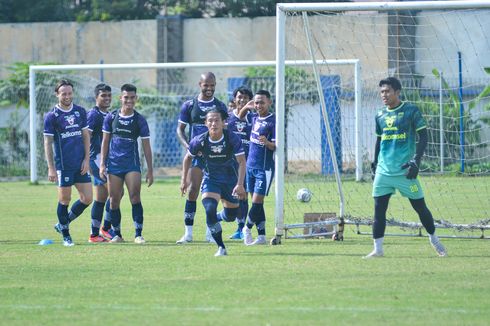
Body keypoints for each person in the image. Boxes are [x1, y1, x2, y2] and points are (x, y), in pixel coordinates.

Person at [366, 77, 447, 258]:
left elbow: (423, 136)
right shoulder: (379, 114)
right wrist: (374, 164)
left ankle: (434, 239)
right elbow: (379, 140)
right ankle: (378, 250)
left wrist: (416, 162)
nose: (384, 95)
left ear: (397, 92)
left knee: (420, 207)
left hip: (405, 172)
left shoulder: (410, 110)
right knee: (379, 210)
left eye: (387, 91)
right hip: (383, 172)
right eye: (381, 92)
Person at [180, 109, 246, 256]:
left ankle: (216, 218)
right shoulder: (199, 140)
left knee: (231, 216)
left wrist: (240, 184)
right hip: (211, 180)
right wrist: (184, 180)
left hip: (230, 181)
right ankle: (221, 247)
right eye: (210, 120)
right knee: (209, 208)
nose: (213, 123)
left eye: (217, 120)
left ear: (223, 123)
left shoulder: (232, 138)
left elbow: (242, 162)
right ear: (205, 123)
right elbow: (187, 159)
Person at [175, 72, 228, 244]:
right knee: (193, 191)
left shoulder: (220, 106)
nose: (209, 88)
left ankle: (210, 233)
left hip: (216, 156)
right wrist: (189, 147)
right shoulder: (190, 105)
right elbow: (180, 130)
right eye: (206, 85)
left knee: (212, 194)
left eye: (212, 85)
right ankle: (188, 233)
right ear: (200, 84)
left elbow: (225, 131)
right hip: (197, 156)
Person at [99, 83, 153, 244]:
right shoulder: (111, 117)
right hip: (114, 164)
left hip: (132, 164)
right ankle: (117, 234)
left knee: (134, 197)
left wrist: (150, 170)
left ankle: (138, 234)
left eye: (132, 97)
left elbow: (146, 146)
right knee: (114, 199)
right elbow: (105, 142)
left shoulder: (139, 120)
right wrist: (102, 164)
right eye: (126, 97)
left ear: (136, 98)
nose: (129, 100)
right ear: (120, 98)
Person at [44, 79, 93, 246]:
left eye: (69, 93)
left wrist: (87, 159)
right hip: (63, 166)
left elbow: (86, 136)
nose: (67, 96)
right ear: (57, 94)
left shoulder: (80, 112)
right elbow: (47, 143)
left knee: (87, 198)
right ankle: (66, 236)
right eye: (63, 93)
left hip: (80, 164)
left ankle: (62, 224)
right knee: (64, 200)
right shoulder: (52, 116)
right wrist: (51, 168)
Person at [239, 90, 276, 245]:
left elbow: (275, 146)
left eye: (262, 102)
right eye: (256, 102)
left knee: (256, 202)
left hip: (264, 168)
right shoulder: (254, 117)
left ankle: (246, 228)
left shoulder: (273, 121)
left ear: (269, 103)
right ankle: (261, 236)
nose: (259, 105)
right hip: (250, 166)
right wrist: (247, 107)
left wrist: (267, 143)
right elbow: (239, 117)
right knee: (257, 203)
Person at [87, 83, 116, 242]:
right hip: (96, 159)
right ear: (96, 97)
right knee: (116, 193)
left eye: (109, 96)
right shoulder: (93, 115)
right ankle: (106, 228)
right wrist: (84, 159)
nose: (106, 98)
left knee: (101, 198)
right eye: (103, 96)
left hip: (105, 159)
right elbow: (86, 137)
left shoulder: (109, 114)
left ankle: (94, 234)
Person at [224, 86, 254, 240]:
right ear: (234, 99)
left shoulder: (254, 118)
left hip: (247, 163)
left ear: (250, 100)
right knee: (229, 196)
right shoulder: (227, 118)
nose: (242, 100)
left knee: (243, 196)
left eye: (246, 98)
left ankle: (241, 229)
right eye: (239, 97)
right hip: (229, 163)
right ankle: (219, 219)